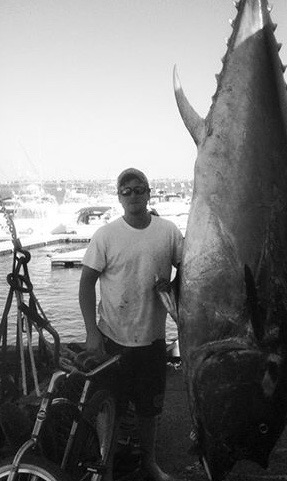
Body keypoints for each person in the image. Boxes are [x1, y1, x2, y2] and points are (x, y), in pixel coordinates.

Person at [79, 168, 183, 481]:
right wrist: (91, 332)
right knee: (111, 408)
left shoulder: (168, 231)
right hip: (113, 338)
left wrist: (172, 287)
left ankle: (149, 463)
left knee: (149, 410)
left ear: (149, 193)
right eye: (127, 191)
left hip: (152, 339)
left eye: (140, 189)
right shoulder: (106, 235)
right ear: (119, 197)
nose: (134, 195)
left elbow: (190, 271)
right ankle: (106, 469)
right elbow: (86, 285)